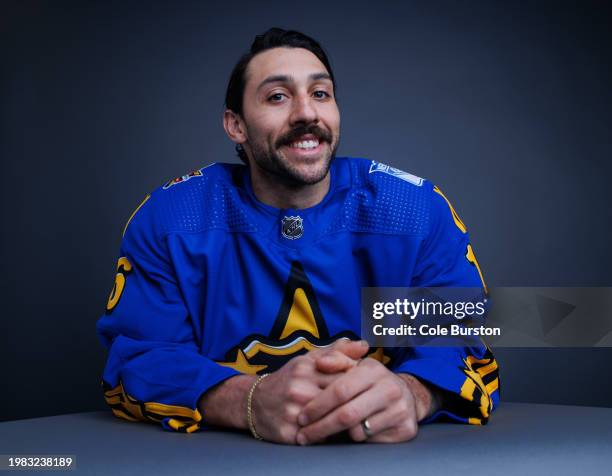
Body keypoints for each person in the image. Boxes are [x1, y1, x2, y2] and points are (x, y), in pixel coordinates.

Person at [97, 28, 499, 445]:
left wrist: (412, 394)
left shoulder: (413, 211)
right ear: (235, 125)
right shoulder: (169, 219)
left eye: (321, 94)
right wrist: (248, 401)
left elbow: (462, 342)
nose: (307, 113)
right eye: (278, 97)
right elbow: (139, 358)